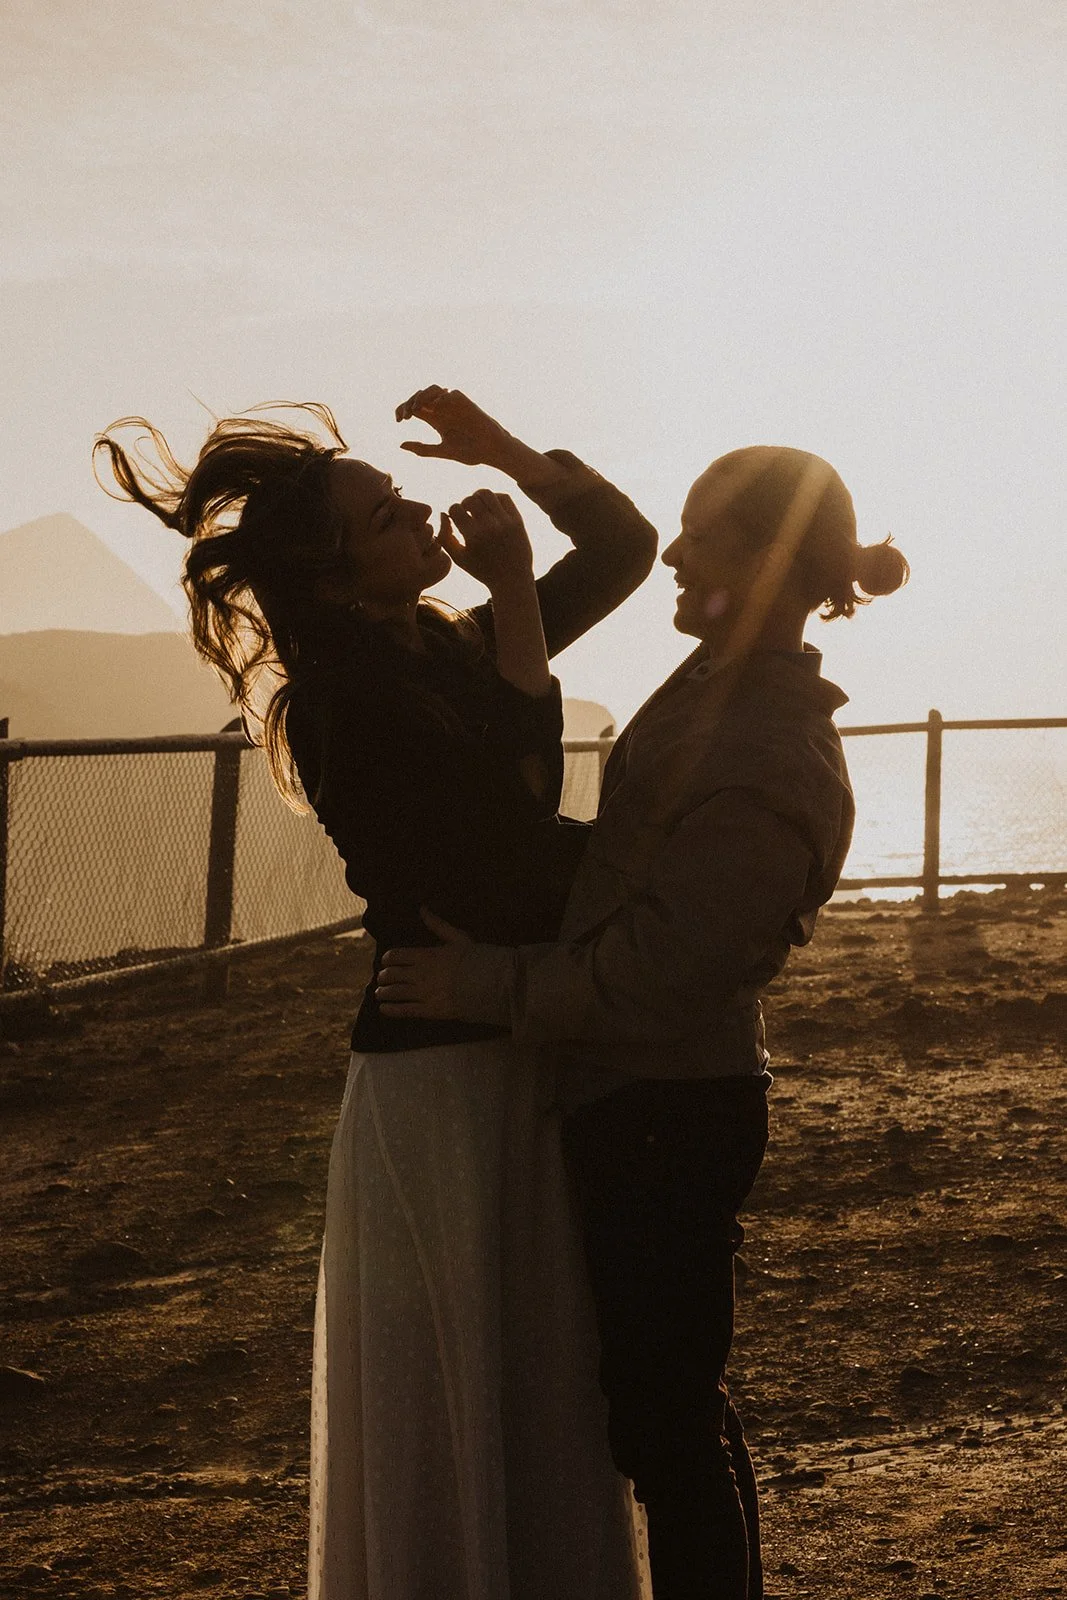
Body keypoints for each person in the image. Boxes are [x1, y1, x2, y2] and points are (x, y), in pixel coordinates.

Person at [94, 389, 659, 1600]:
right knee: (454, 1381)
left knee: (541, 1374)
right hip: (434, 1080)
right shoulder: (342, 703)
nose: (419, 513)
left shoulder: (448, 650)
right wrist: (511, 596)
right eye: (385, 511)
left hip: (508, 1037)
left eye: (403, 496)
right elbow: (511, 829)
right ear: (335, 569)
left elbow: (623, 549)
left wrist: (506, 448)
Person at [376, 443, 910, 1600]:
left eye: (702, 535)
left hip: (668, 1110)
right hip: (648, 1102)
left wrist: (488, 985)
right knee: (668, 1413)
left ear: (768, 564)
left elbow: (662, 969)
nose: (672, 552)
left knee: (664, 1426)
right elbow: (635, 876)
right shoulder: (724, 692)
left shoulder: (767, 745)